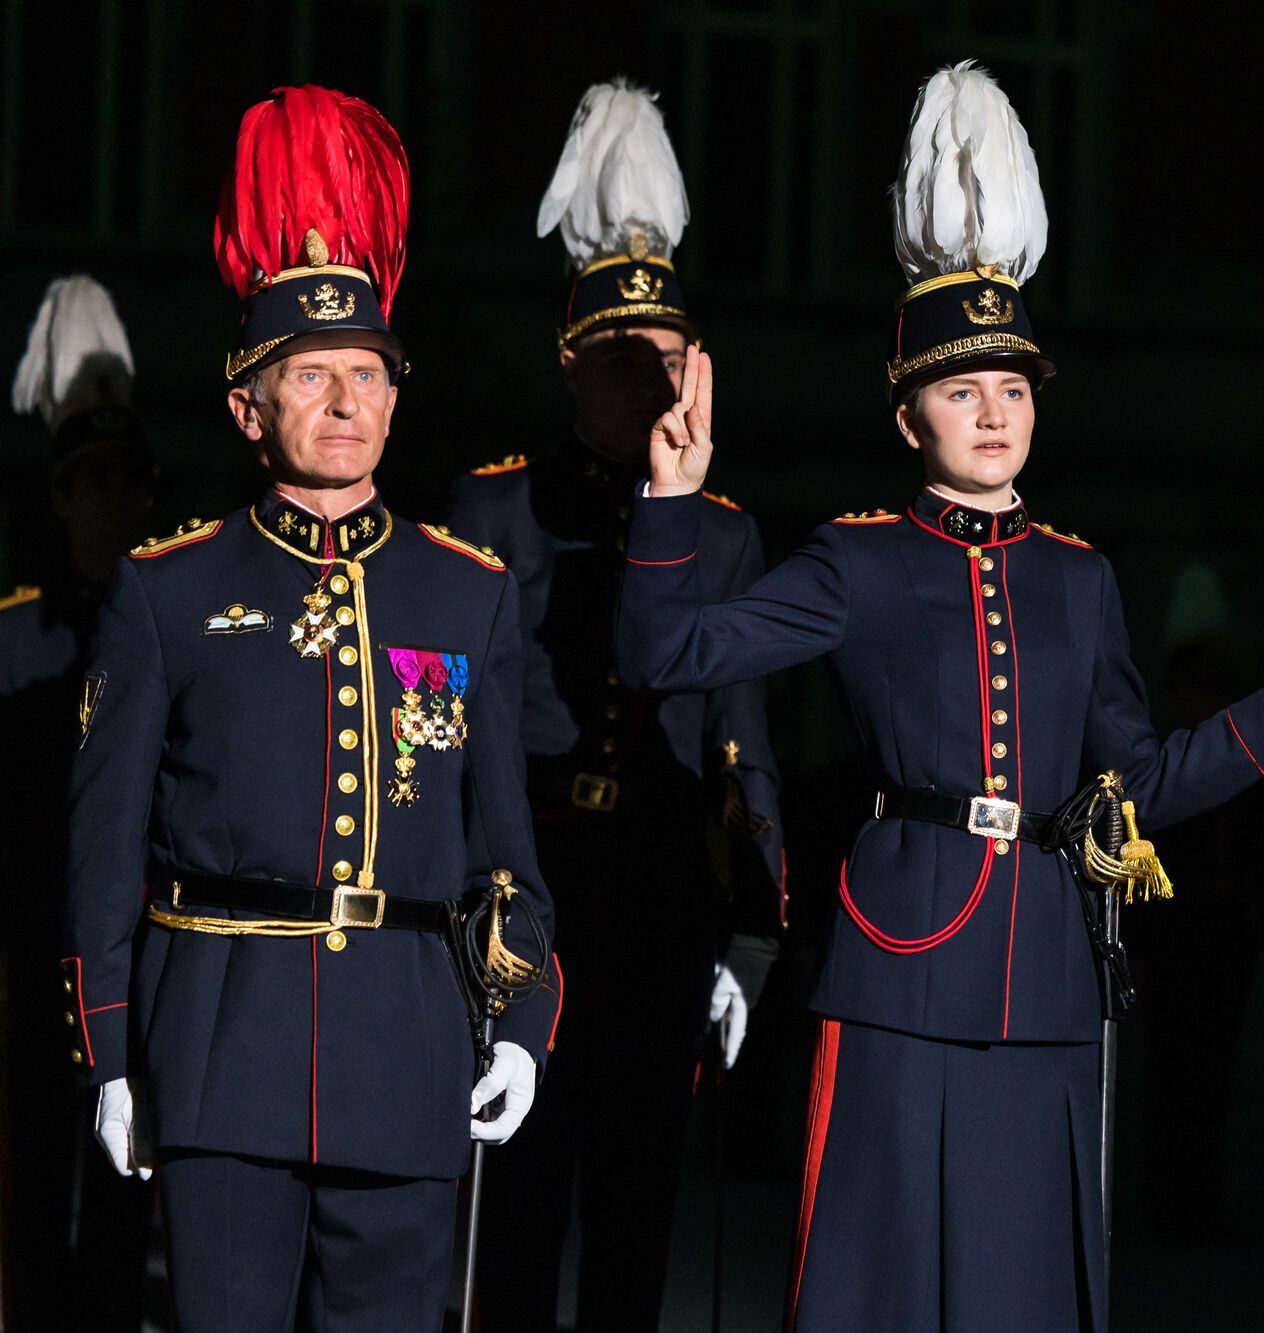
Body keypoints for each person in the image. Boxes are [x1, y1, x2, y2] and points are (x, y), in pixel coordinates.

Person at [615, 62, 1264, 1331]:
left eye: (1012, 388)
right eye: (962, 390)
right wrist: (671, 503)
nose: (995, 412)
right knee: (873, 1292)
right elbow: (664, 656)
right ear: (909, 417)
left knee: (1023, 1298)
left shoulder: (1078, 576)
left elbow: (1139, 783)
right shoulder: (859, 558)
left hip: (1051, 983)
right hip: (898, 970)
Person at [61, 84, 558, 1330]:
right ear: (248, 409)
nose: (345, 401)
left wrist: (525, 1020)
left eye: (368, 373)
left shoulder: (468, 593)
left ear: (398, 393)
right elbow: (105, 848)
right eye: (311, 375)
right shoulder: (167, 590)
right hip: (223, 1050)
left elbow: (510, 844)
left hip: (409, 1052)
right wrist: (113, 1051)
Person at [444, 78, 784, 1331]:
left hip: (654, 896)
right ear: (569, 368)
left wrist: (750, 931)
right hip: (530, 876)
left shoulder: (728, 534)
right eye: (617, 362)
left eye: (665, 362)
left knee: (637, 1211)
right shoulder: (493, 510)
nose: (644, 384)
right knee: (517, 1210)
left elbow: (744, 738)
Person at [3, 274, 156, 1330]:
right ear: (58, 494)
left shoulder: (169, 625)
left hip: (127, 964)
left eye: (123, 480)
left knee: (119, 1210)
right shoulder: (11, 634)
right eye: (87, 480)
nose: (108, 499)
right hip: (21, 958)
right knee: (20, 1209)